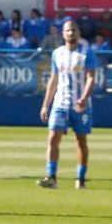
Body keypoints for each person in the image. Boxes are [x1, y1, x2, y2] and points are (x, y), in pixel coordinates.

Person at [39, 17, 97, 189]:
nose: (71, 32)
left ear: (79, 33)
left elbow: (91, 77)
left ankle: (80, 178)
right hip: (60, 103)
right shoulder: (57, 53)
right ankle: (51, 177)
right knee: (52, 138)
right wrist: (45, 105)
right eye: (68, 30)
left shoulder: (86, 53)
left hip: (80, 105)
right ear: (63, 34)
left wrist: (84, 98)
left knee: (80, 140)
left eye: (74, 29)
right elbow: (53, 80)